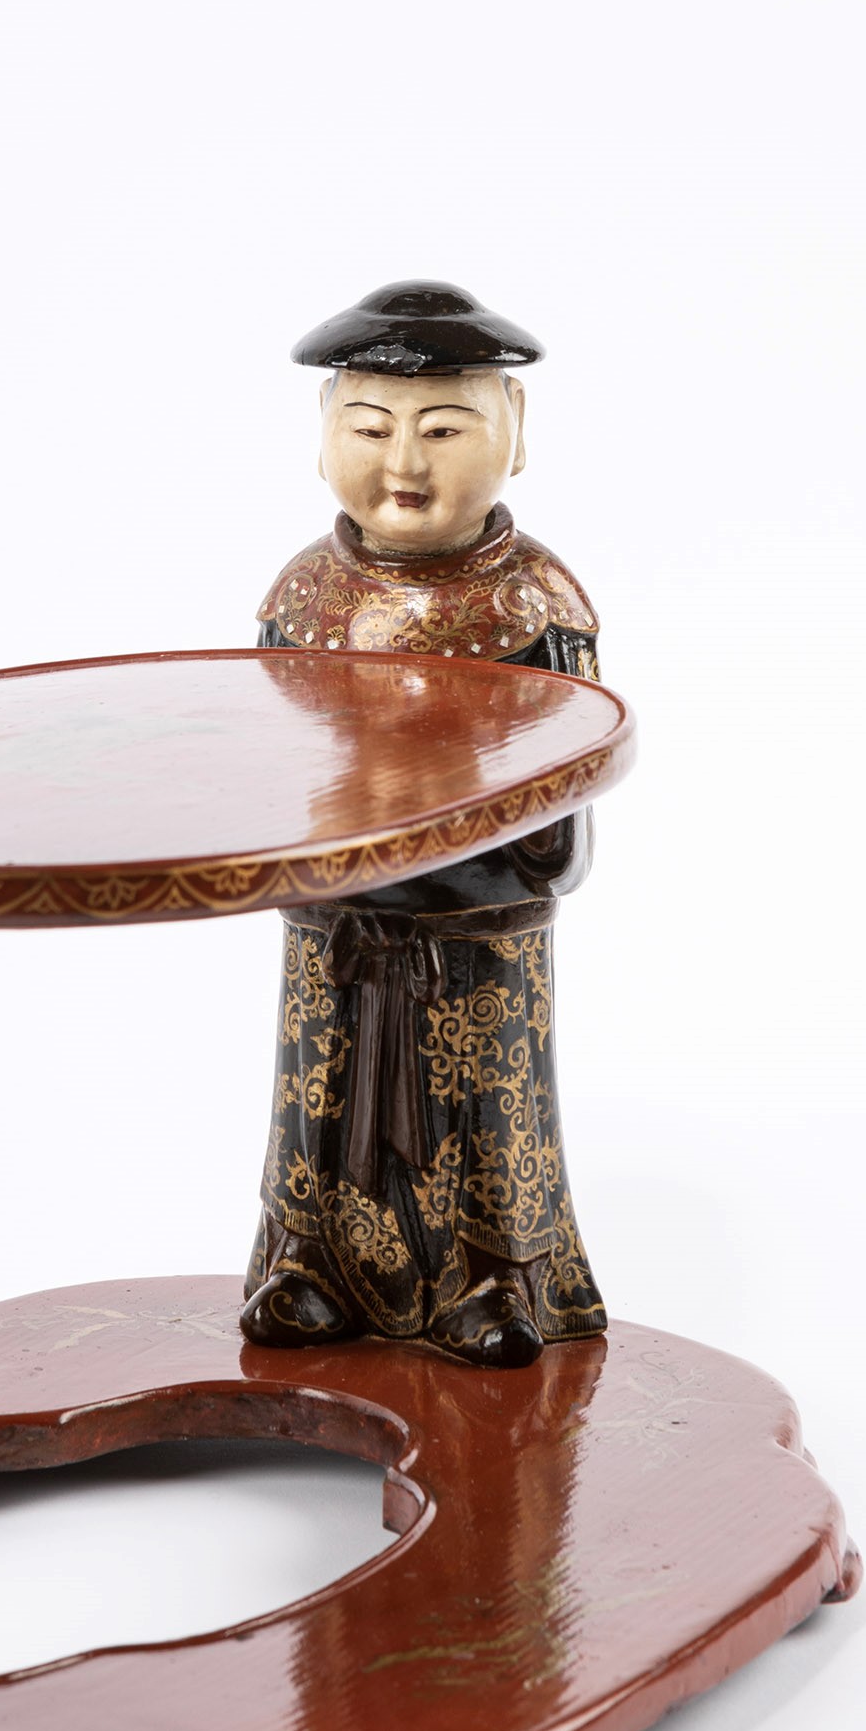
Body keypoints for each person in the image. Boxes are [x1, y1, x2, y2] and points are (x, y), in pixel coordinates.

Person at [243, 283, 607, 1368]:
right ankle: (308, 1264)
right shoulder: (305, 597)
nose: (403, 462)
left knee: (481, 1103)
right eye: (369, 428)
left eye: (443, 430)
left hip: (474, 926)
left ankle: (490, 1277)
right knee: (321, 1096)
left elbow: (562, 798)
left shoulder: (535, 605)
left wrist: (456, 846)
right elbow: (260, 761)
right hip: (335, 919)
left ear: (514, 434)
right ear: (322, 435)